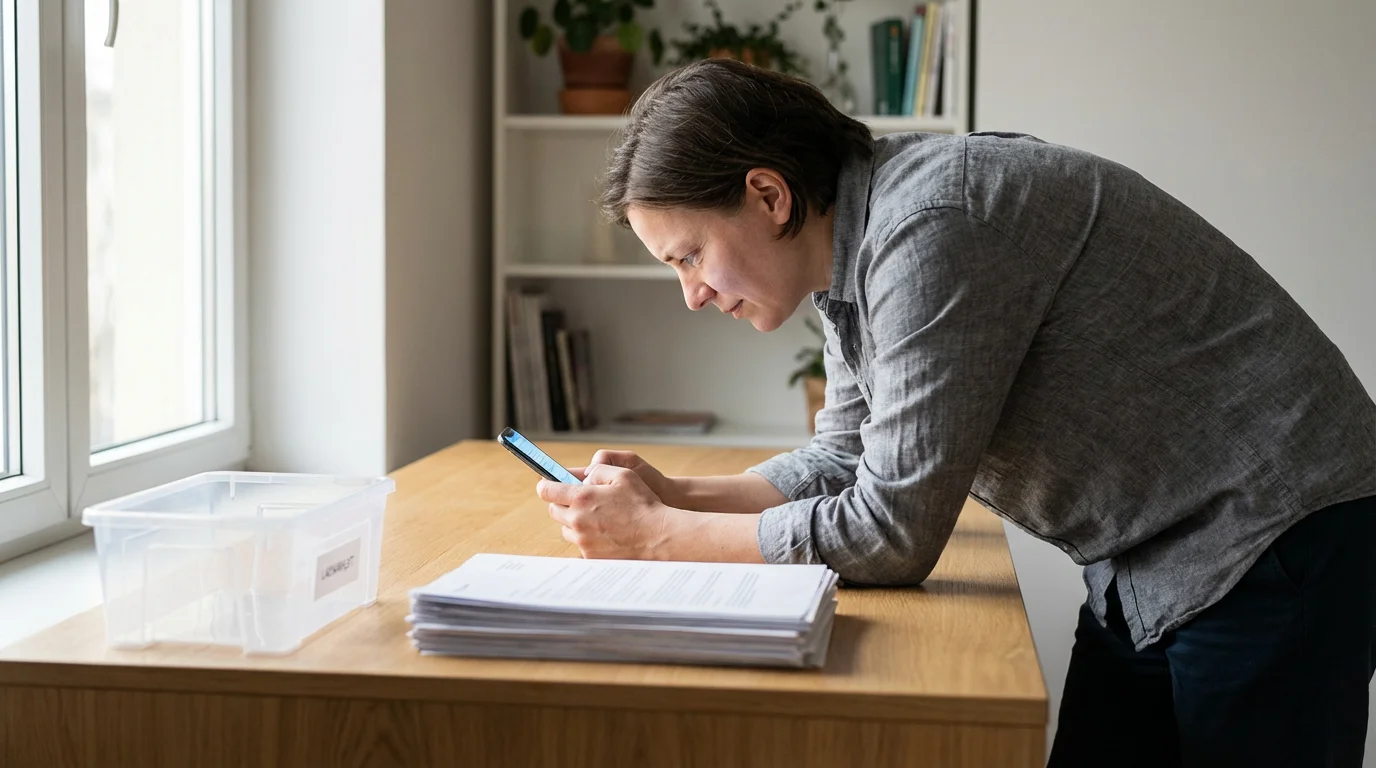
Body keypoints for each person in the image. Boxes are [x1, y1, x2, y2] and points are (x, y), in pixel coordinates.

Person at [534, 58, 1376, 767]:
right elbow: (845, 459)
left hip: (1271, 533)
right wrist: (678, 493)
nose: (692, 294)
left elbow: (890, 534)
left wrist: (658, 538)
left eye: (690, 256)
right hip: (1151, 556)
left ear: (768, 195)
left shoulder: (934, 225)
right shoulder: (858, 246)